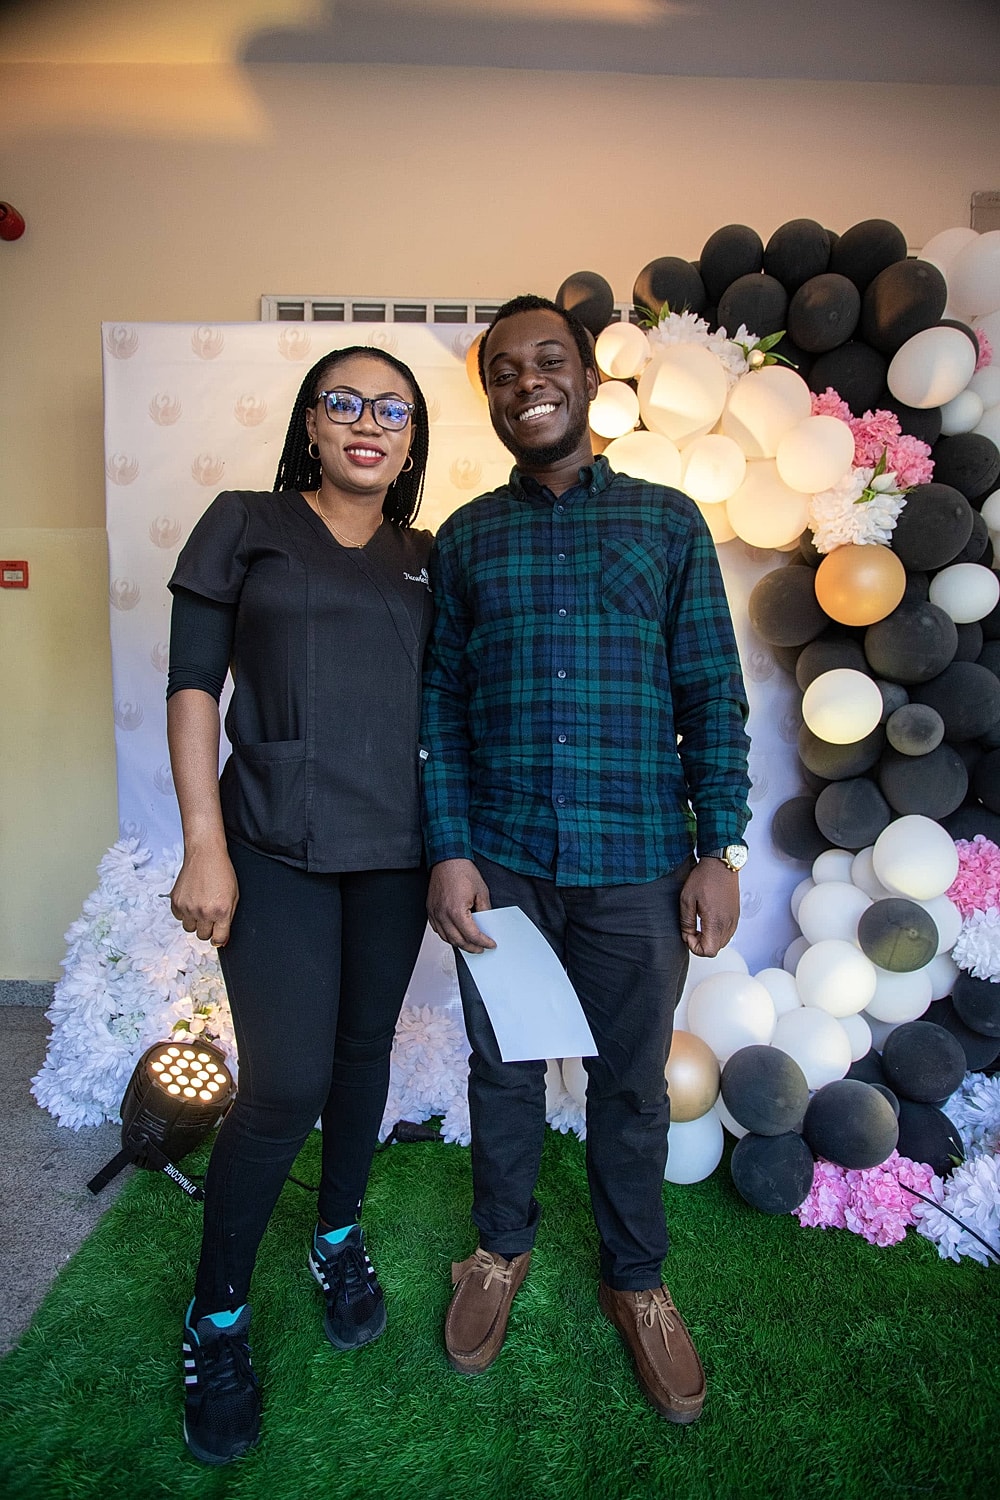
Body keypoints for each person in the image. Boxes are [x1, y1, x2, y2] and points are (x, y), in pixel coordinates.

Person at [420, 294, 751, 1425]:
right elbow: (442, 711)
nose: (526, 383)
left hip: (639, 862)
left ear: (585, 378)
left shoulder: (666, 526)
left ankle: (636, 1279)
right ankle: (498, 1252)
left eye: (545, 360)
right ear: (493, 397)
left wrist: (722, 846)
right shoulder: (465, 539)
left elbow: (712, 694)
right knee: (503, 1073)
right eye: (502, 371)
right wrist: (451, 849)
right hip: (504, 862)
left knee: (630, 1086)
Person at [166, 345, 434, 1465]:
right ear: (310, 425)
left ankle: (335, 1233)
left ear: (412, 439)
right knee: (284, 1083)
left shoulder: (430, 558)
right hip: (269, 842)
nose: (367, 423)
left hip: (397, 852)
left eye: (393, 409)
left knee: (363, 1054)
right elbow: (192, 686)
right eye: (345, 403)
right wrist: (203, 847)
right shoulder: (244, 522)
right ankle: (215, 1318)